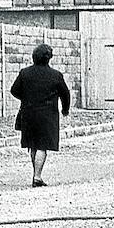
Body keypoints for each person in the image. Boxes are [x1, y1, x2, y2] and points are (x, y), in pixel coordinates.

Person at [10, 43, 71, 187]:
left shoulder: (24, 73)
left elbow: (14, 90)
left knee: (32, 145)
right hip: (47, 115)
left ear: (34, 57)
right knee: (42, 146)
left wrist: (26, 98)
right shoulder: (56, 75)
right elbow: (65, 94)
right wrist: (65, 109)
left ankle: (36, 174)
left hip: (28, 113)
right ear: (49, 58)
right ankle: (37, 176)